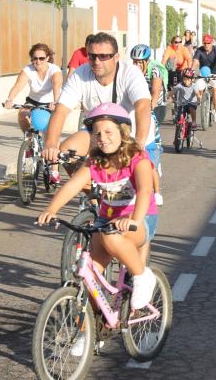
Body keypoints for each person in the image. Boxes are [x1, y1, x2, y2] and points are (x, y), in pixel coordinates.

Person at [42, 31, 155, 264]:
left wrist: (139, 144)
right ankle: (94, 195)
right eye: (92, 56)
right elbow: (61, 111)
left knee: (142, 199)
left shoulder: (130, 73)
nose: (97, 61)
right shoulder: (81, 75)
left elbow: (143, 107)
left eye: (104, 56)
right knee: (66, 149)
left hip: (133, 138)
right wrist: (51, 145)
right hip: (100, 135)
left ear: (116, 57)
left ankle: (139, 271)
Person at [36, 102, 157, 311]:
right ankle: (90, 332)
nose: (102, 138)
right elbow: (73, 185)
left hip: (139, 220)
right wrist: (51, 210)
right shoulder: (95, 162)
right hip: (107, 221)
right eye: (97, 133)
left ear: (123, 132)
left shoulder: (138, 159)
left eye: (108, 131)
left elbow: (146, 191)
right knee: (89, 278)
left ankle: (142, 275)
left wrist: (134, 221)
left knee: (111, 236)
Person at [4, 43, 63, 182]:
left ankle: (54, 170)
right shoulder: (28, 70)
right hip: (33, 101)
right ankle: (30, 142)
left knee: (52, 134)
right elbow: (18, 86)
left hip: (50, 102)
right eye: (34, 58)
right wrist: (10, 99)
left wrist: (55, 102)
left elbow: (57, 85)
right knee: (23, 114)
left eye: (41, 58)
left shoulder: (54, 70)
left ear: (48, 58)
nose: (38, 62)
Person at [131, 44, 165, 206]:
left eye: (140, 62)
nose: (137, 64)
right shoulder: (131, 72)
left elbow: (156, 91)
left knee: (152, 144)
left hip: (156, 106)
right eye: (135, 61)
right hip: (138, 107)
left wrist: (149, 108)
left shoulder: (155, 70)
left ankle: (156, 162)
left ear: (146, 61)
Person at [192, 34, 216, 123]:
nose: (206, 45)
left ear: (212, 43)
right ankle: (201, 101)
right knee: (198, 87)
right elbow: (195, 62)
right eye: (204, 43)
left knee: (215, 89)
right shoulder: (199, 50)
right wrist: (191, 72)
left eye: (208, 43)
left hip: (214, 74)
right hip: (203, 74)